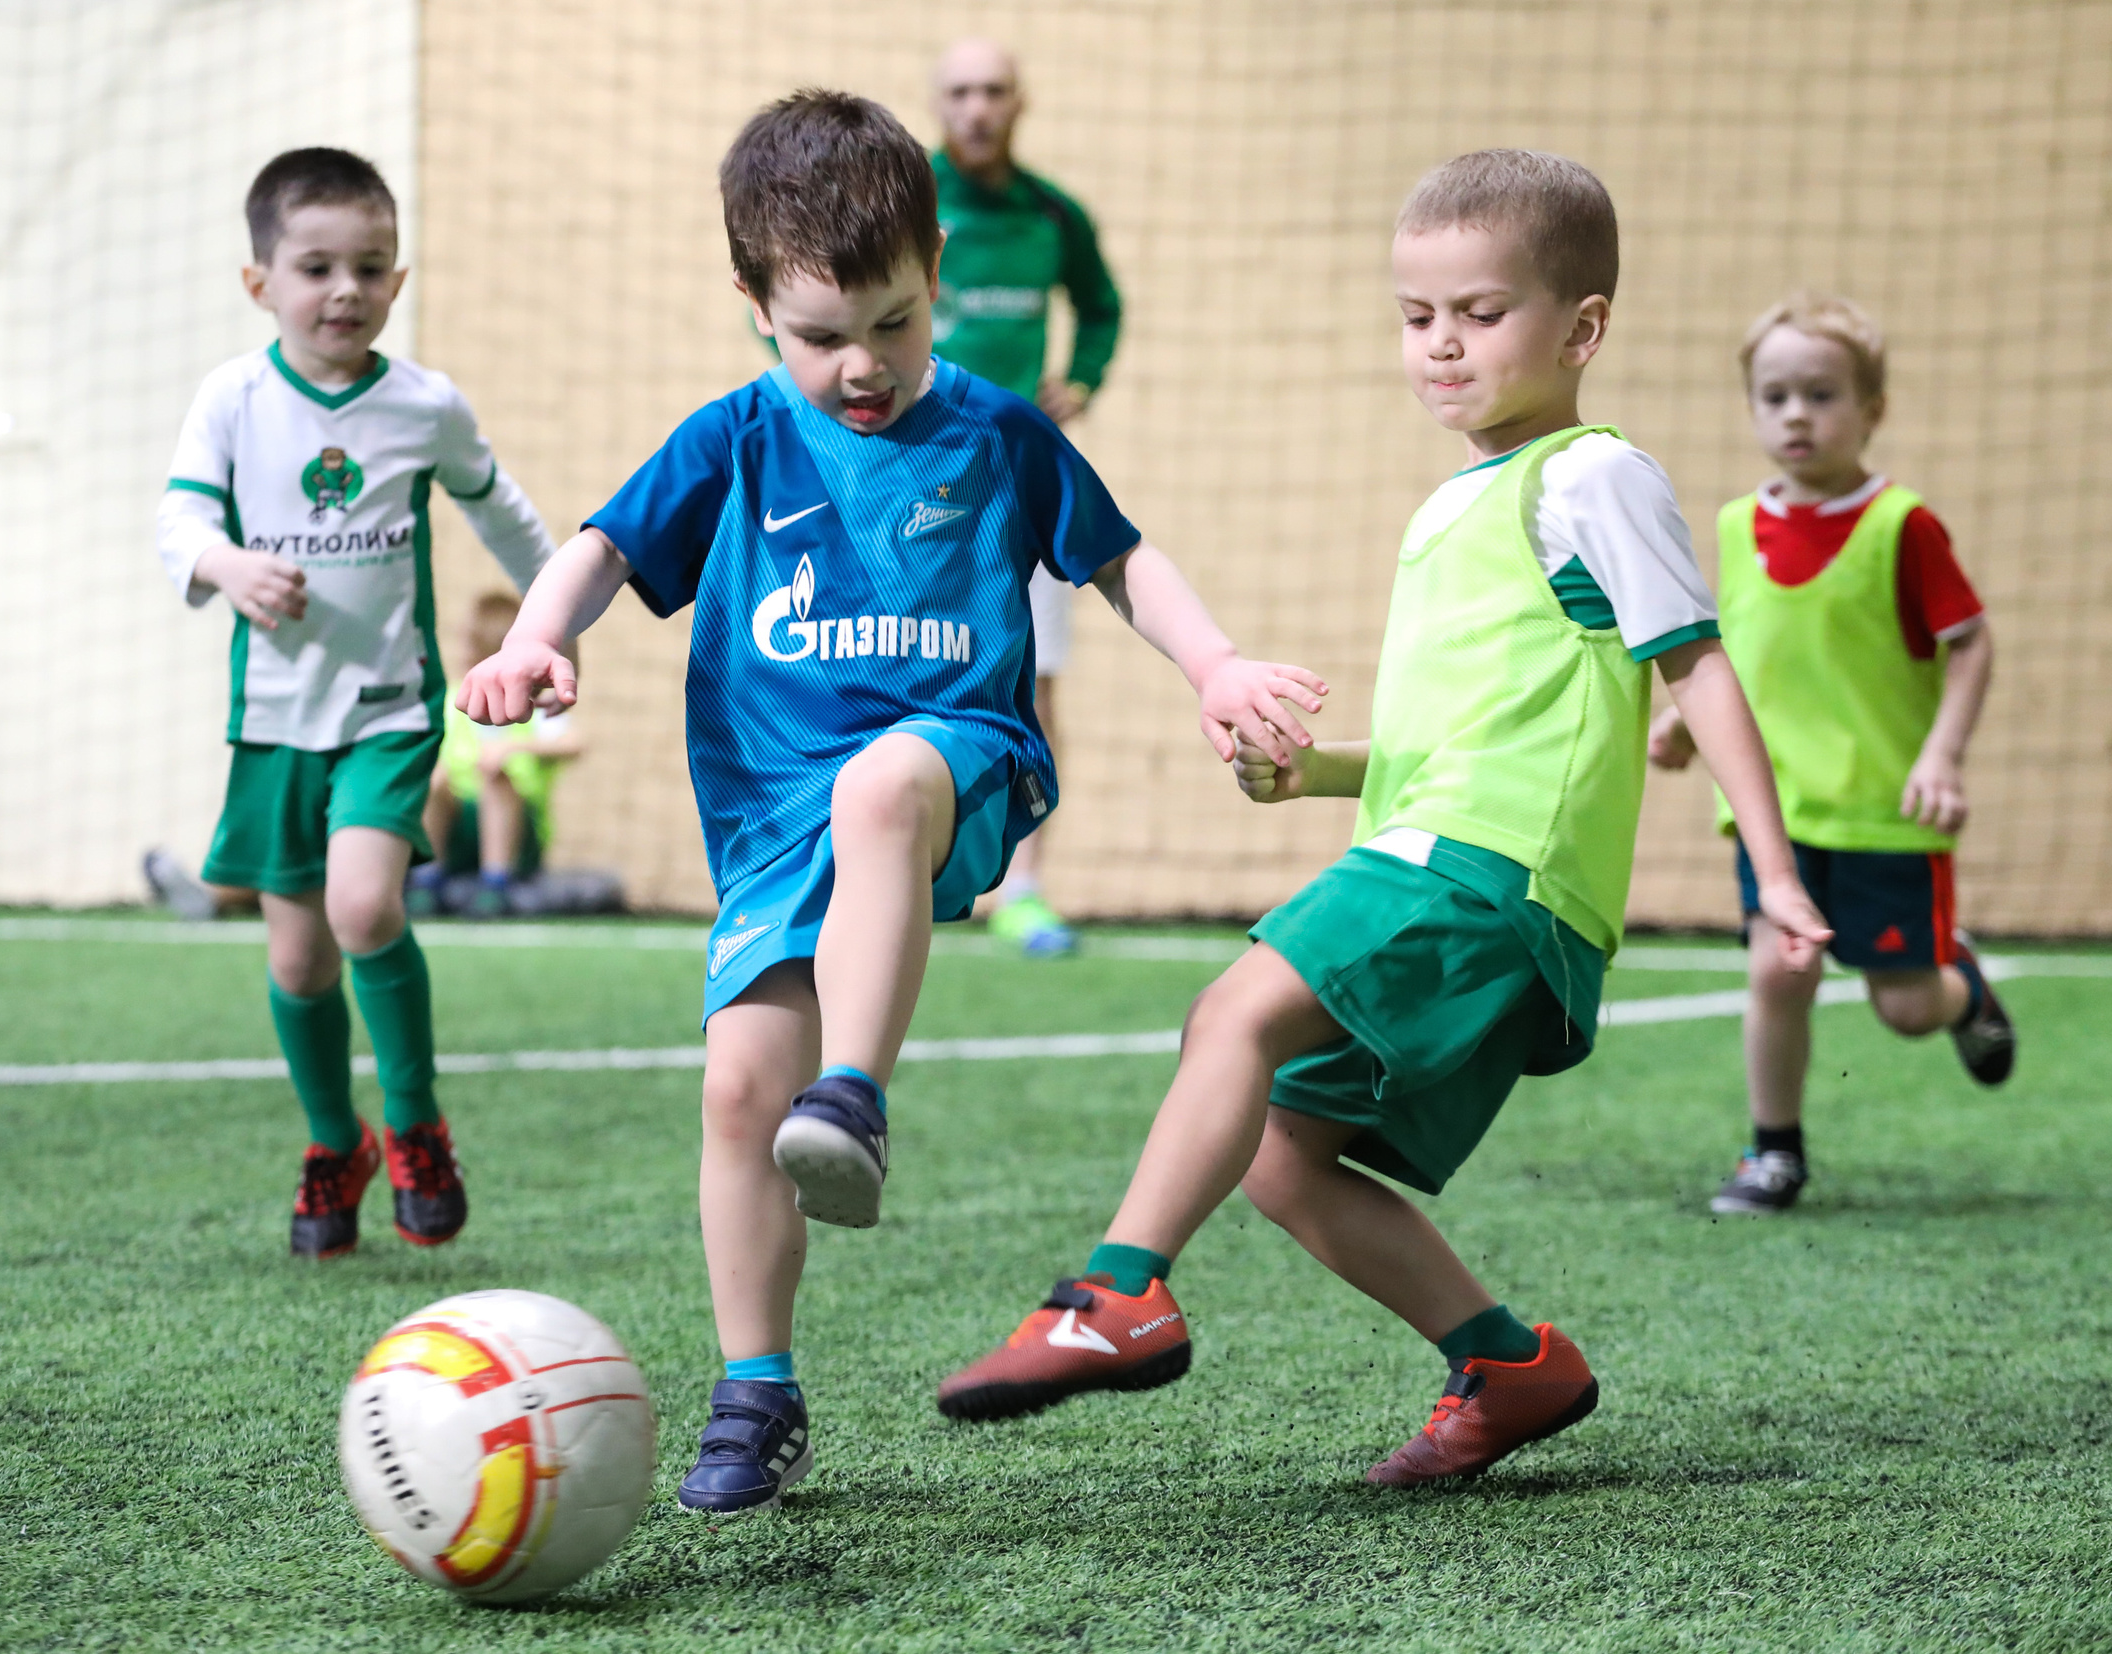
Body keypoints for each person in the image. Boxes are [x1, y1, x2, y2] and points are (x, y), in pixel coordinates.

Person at [457, 90, 1323, 1516]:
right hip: (772, 811)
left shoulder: (997, 429)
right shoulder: (734, 439)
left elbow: (1120, 559)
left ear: (935, 272)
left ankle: (853, 1094)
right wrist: (539, 636)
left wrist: (1215, 661)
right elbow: (605, 545)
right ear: (754, 305)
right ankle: (758, 1392)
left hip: (956, 754)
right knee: (740, 1092)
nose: (864, 365)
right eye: (821, 335)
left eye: (897, 323)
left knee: (884, 786)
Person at [935, 151, 1833, 1486]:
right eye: (1419, 318)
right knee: (1286, 1161)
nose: (1443, 346)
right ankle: (1508, 1361)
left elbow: (1695, 663)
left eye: (1481, 312)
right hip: (1438, 851)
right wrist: (1316, 773)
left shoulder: (1591, 476)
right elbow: (1451, 741)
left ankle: (1117, 1293)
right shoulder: (1451, 505)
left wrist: (1775, 872)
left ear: (1582, 328)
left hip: (1491, 869)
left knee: (1231, 1011)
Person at [155, 147, 559, 1259]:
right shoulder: (230, 400)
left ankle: (418, 1121)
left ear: (398, 278)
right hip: (275, 720)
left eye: (370, 267)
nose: (344, 289)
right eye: (316, 266)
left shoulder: (424, 405)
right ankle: (338, 1141)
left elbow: (506, 513)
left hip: (386, 709)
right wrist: (227, 568)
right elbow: (177, 526)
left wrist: (551, 616)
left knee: (365, 910)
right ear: (261, 283)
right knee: (295, 963)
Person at [1648, 292, 2016, 1217]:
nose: (1796, 414)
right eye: (1774, 397)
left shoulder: (1904, 526)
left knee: (1902, 1009)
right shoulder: (1735, 526)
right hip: (1774, 810)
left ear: (1872, 409)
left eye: (1821, 393)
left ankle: (1961, 990)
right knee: (1781, 968)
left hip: (1884, 811)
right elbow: (1742, 649)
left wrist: (1942, 755)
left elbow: (1970, 641)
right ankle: (1774, 1152)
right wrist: (1689, 724)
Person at [927, 36, 1126, 957]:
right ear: (938, 101)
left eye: (994, 91)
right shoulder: (903, 198)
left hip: (1024, 487)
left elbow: (1103, 305)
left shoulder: (1055, 213)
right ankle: (905, 861)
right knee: (892, 663)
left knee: (1033, 683)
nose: (977, 107)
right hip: (909, 482)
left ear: (1020, 102)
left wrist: (1079, 381)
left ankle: (1026, 886)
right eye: (961, 91)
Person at [411, 592, 586, 919]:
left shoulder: (537, 707)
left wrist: (514, 747)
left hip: (518, 832)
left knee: (496, 781)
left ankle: (496, 882)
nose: (462, 653)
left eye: (471, 644)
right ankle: (426, 878)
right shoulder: (453, 701)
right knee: (433, 779)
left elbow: (574, 743)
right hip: (458, 825)